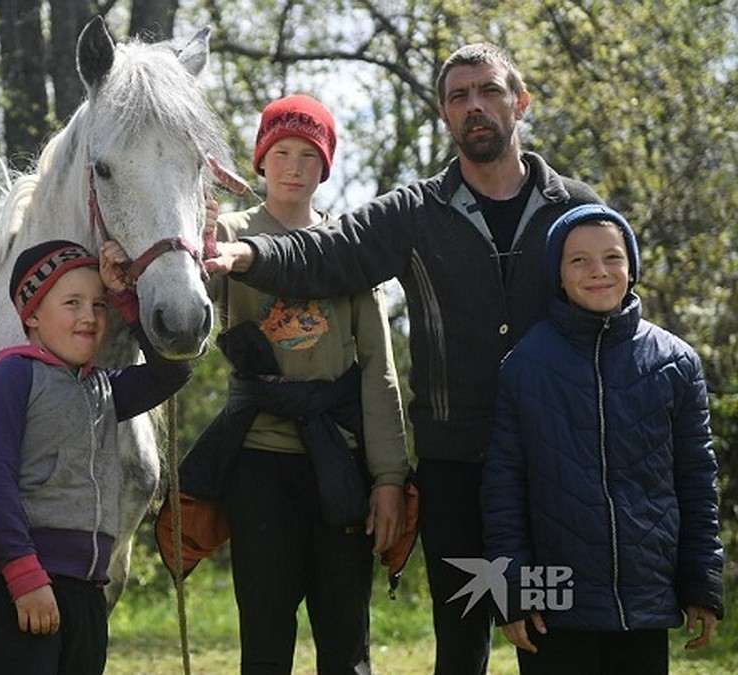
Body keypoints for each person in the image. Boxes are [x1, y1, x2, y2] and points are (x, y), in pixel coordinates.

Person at [204, 43, 602, 674]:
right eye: (458, 96)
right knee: (462, 647)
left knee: (549, 638)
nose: (474, 106)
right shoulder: (414, 212)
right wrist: (249, 256)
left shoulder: (576, 210)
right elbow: (329, 251)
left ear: (519, 102)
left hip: (548, 472)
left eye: (489, 91)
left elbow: (611, 324)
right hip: (456, 473)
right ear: (443, 114)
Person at [204, 94, 410, 674]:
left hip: (339, 463)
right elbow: (185, 316)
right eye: (282, 152)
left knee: (346, 638)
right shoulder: (225, 235)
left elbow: (379, 367)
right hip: (260, 463)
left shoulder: (349, 248)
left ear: (326, 167)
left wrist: (389, 476)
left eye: (309, 156)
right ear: (261, 162)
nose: (294, 167)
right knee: (266, 638)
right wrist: (193, 242)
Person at [481, 204, 724, 673]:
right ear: (558, 273)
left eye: (612, 257)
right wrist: (512, 592)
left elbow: (697, 482)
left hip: (646, 596)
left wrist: (701, 583)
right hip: (553, 602)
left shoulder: (676, 364)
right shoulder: (525, 365)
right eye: (579, 260)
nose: (599, 272)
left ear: (631, 267)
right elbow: (504, 490)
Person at [0, 240, 192, 674]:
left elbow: (173, 370)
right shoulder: (11, 377)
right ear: (31, 315)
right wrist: (23, 574)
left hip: (86, 590)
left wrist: (125, 297)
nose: (89, 316)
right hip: (19, 587)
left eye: (98, 305)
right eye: (72, 303)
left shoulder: (104, 388)